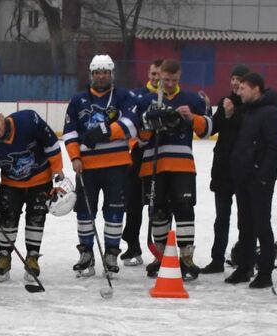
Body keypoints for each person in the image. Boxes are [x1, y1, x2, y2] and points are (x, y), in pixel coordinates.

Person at [61, 54, 137, 279]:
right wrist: (75, 157)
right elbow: (70, 132)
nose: (101, 76)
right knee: (85, 212)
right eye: (97, 72)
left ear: (111, 74)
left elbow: (131, 125)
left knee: (114, 210)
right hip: (87, 166)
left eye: (105, 72)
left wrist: (104, 132)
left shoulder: (123, 96)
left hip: (117, 165)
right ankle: (86, 254)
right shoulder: (78, 100)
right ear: (91, 74)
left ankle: (111, 255)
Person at [134, 59, 210, 278]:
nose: (168, 84)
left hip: (183, 165)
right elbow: (140, 138)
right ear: (159, 77)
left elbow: (208, 129)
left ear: (179, 78)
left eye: (173, 80)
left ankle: (186, 257)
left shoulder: (191, 99)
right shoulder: (146, 101)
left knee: (185, 209)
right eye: (165, 79)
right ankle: (162, 256)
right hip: (153, 165)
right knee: (158, 211)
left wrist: (191, 117)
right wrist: (150, 121)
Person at [0, 100, 64, 282]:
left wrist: (57, 169)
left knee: (36, 217)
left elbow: (51, 142)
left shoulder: (28, 120)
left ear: (1, 117)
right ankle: (4, 257)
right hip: (12, 184)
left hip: (40, 179)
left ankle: (32, 257)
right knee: (7, 217)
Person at [225, 72, 277, 289]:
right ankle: (244, 268)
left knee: (261, 225)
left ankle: (265, 272)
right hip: (243, 177)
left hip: (259, 180)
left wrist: (263, 175)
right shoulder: (248, 112)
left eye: (242, 88)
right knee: (244, 225)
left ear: (255, 89)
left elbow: (275, 147)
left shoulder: (270, 113)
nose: (238, 92)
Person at [202, 64, 248, 274]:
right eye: (233, 78)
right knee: (221, 218)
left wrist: (232, 114)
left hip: (244, 169)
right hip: (222, 168)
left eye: (240, 79)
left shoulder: (251, 106)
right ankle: (217, 259)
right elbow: (214, 128)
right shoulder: (225, 101)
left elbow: (245, 129)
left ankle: (245, 259)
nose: (236, 82)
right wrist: (207, 109)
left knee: (245, 218)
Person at [121, 58, 163, 266]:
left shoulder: (168, 98)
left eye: (159, 74)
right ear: (148, 74)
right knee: (133, 203)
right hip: (137, 156)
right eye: (153, 73)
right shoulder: (136, 96)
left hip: (160, 157)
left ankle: (160, 248)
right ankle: (132, 246)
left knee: (157, 205)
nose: (156, 78)